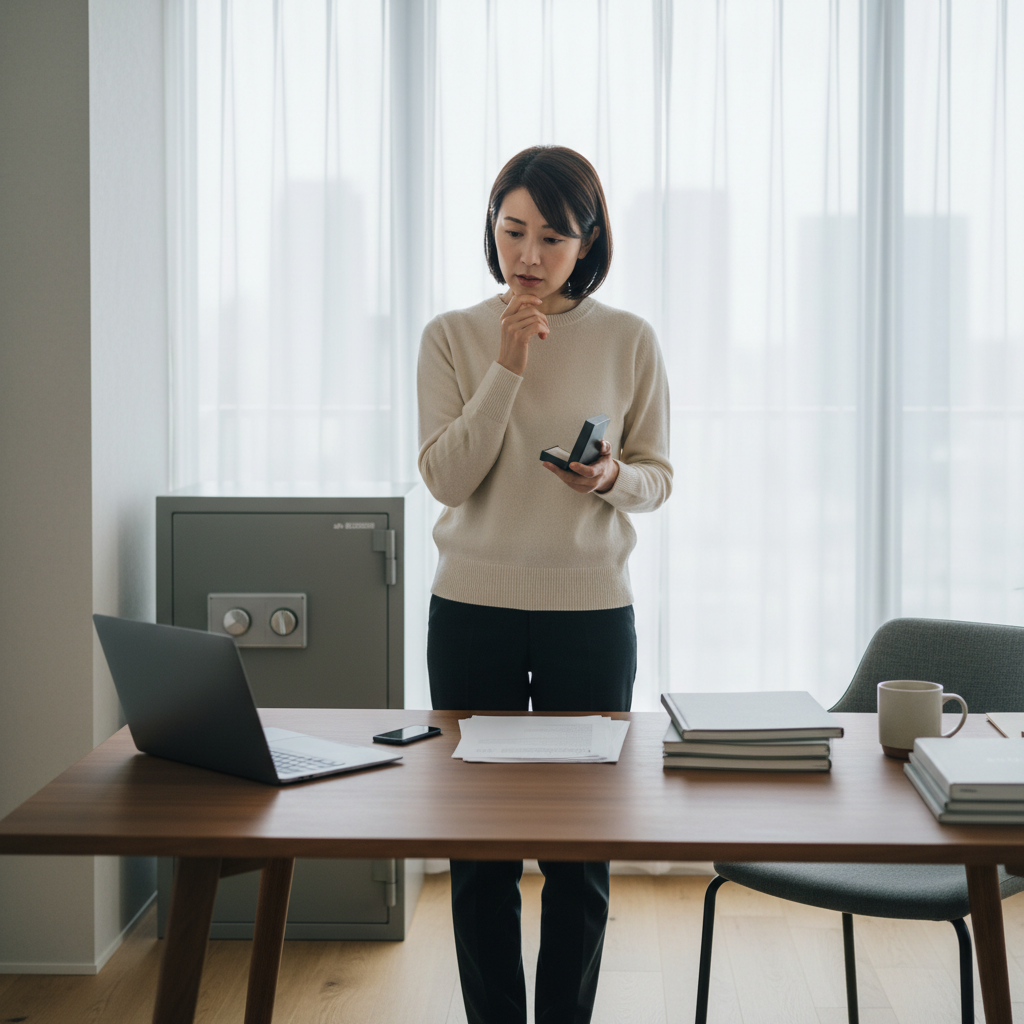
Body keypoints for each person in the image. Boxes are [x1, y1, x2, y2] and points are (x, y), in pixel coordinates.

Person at [417, 145, 672, 1024]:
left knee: (580, 853)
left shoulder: (629, 338)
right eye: (512, 230)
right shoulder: (452, 335)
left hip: (590, 614)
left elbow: (658, 477)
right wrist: (507, 365)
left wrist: (609, 479)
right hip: (471, 611)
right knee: (478, 853)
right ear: (491, 228)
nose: (527, 255)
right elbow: (448, 479)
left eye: (552, 238)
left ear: (587, 242)